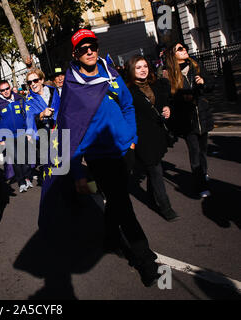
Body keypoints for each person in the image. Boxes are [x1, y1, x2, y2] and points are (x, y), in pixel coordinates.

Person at [39, 29, 161, 287]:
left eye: (92, 46)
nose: (89, 51)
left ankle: (109, 237)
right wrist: (78, 172)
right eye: (83, 48)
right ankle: (145, 260)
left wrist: (131, 136)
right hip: (98, 156)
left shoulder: (111, 72)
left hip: (124, 150)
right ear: (76, 54)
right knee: (123, 204)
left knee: (117, 201)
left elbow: (127, 104)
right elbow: (68, 131)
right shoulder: (71, 86)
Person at [124, 55, 179, 221]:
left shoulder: (156, 84)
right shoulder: (128, 91)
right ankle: (166, 208)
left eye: (145, 66)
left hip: (157, 134)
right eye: (138, 67)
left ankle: (150, 196)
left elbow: (163, 103)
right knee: (155, 171)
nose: (143, 70)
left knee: (153, 168)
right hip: (142, 138)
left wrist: (167, 109)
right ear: (131, 70)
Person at [164, 43, 214, 198]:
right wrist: (179, 99)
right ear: (173, 55)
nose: (184, 50)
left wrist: (203, 83)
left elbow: (212, 84)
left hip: (202, 116)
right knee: (195, 152)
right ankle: (200, 185)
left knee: (203, 151)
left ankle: (203, 174)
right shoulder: (169, 74)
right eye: (180, 49)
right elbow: (168, 98)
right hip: (187, 121)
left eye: (184, 47)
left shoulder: (196, 66)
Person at [0, 80, 32, 193]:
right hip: (8, 137)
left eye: (7, 88)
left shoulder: (19, 98)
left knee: (25, 158)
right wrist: (0, 139)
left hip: (22, 133)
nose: (5, 91)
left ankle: (27, 177)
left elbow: (27, 116)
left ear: (10, 88)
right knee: (15, 160)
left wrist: (29, 132)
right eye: (2, 90)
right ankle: (21, 182)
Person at [25, 68, 61, 139]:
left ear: (41, 80)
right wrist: (42, 114)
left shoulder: (53, 91)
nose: (32, 84)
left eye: (35, 80)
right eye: (30, 82)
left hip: (61, 129)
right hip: (45, 136)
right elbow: (30, 119)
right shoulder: (29, 101)